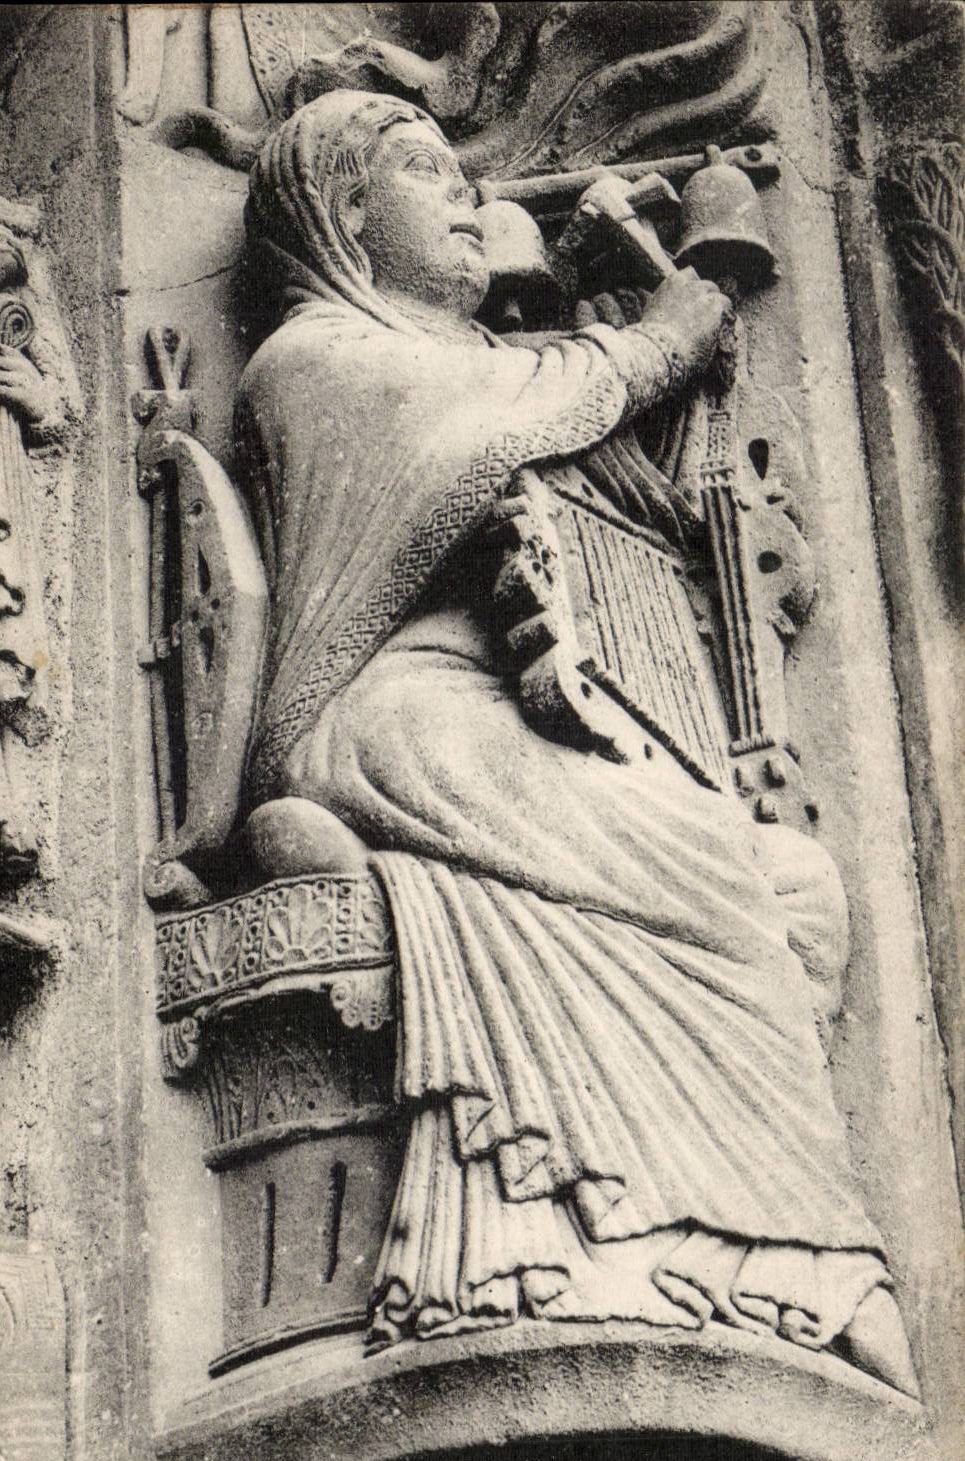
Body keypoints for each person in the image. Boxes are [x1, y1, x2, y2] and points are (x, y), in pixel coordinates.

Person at [234, 89, 916, 1392]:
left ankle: (671, 1247)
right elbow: (510, 408)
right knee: (717, 886)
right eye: (425, 171)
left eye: (462, 175)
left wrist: (637, 305)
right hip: (392, 722)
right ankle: (803, 1265)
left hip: (514, 720)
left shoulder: (486, 363)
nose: (461, 196)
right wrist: (658, 334)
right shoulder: (314, 362)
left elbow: (618, 480)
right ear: (340, 210)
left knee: (792, 881)